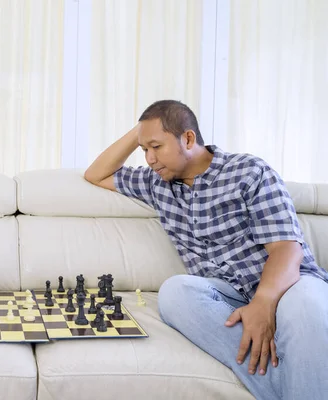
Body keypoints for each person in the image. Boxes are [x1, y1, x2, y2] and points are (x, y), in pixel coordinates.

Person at [84, 100, 328, 399]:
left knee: (307, 303)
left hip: (288, 285)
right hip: (228, 295)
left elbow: (286, 249)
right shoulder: (154, 183)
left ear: (187, 139)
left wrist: (263, 304)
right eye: (143, 149)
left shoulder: (247, 170)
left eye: (156, 147)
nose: (148, 158)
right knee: (175, 292)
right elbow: (95, 174)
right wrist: (141, 131)